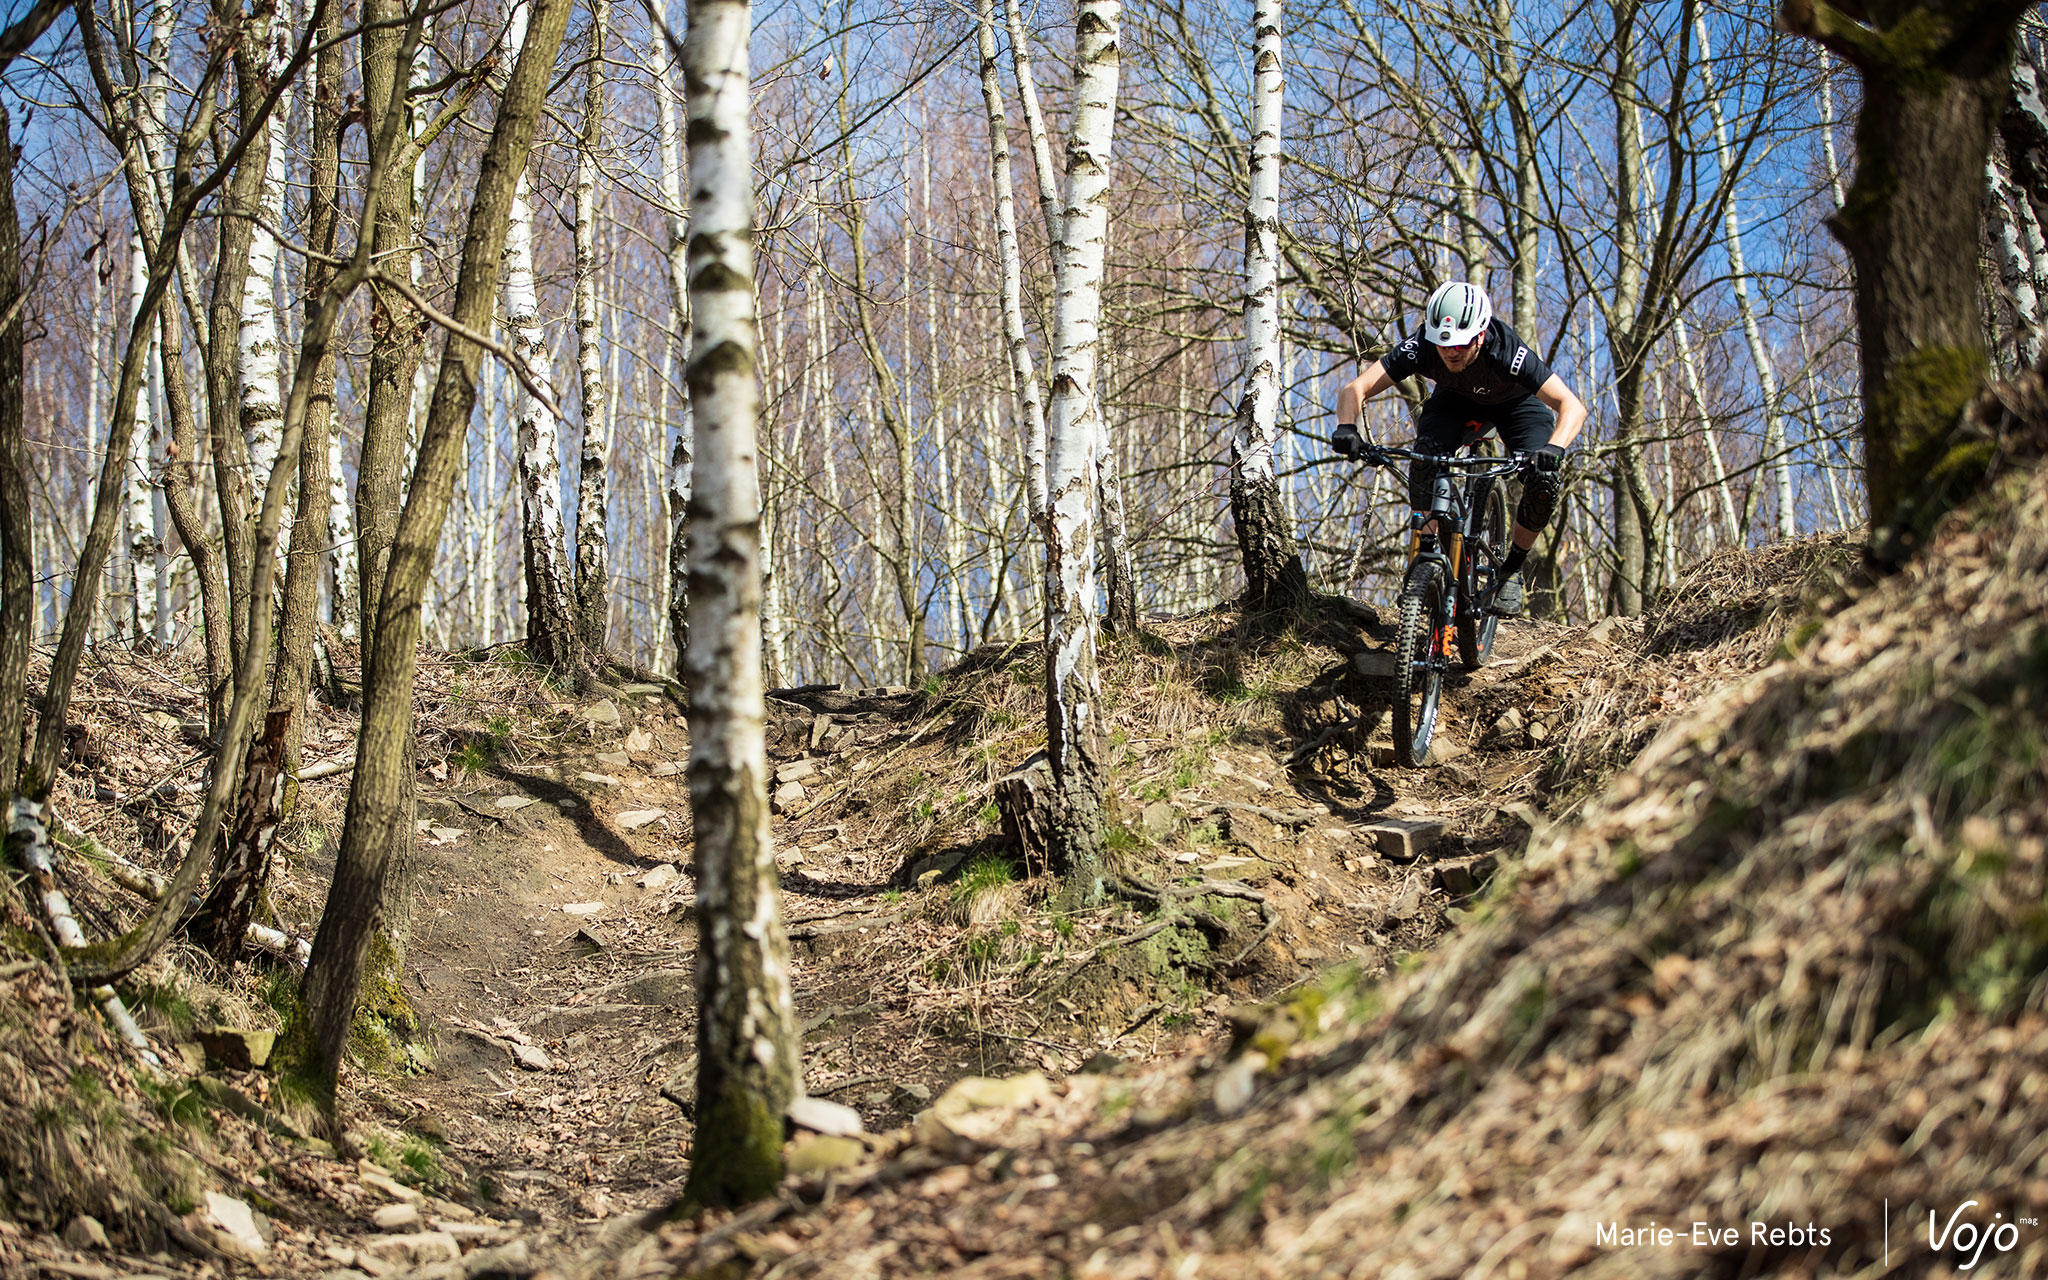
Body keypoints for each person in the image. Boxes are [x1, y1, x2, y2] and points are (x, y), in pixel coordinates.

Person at [1331, 281, 1587, 616]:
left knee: (1543, 483)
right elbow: (1356, 388)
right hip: (1455, 402)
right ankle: (1424, 559)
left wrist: (1554, 448)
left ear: (1480, 335)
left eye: (1461, 344)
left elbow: (1572, 406)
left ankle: (1511, 570)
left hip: (1517, 405)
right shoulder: (1422, 346)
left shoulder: (1508, 352)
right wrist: (1347, 427)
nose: (1451, 352)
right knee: (1424, 458)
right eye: (1443, 344)